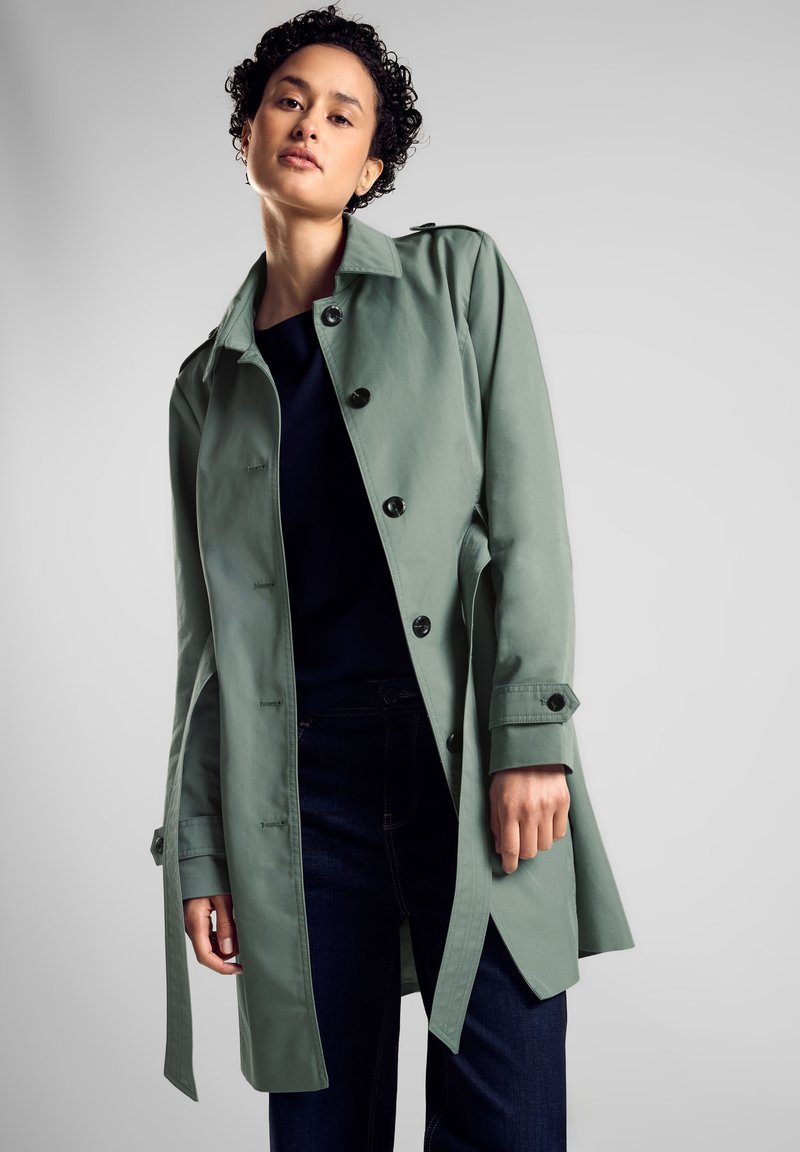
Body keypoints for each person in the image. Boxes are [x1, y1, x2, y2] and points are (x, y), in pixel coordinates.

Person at [150, 5, 635, 1149]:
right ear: (246, 132)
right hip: (299, 791)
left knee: (505, 1121)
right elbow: (204, 641)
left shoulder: (455, 278)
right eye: (286, 100)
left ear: (371, 166)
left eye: (341, 114)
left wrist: (529, 735)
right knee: (320, 1129)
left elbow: (528, 521)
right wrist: (200, 844)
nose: (308, 124)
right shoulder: (204, 387)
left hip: (462, 758)